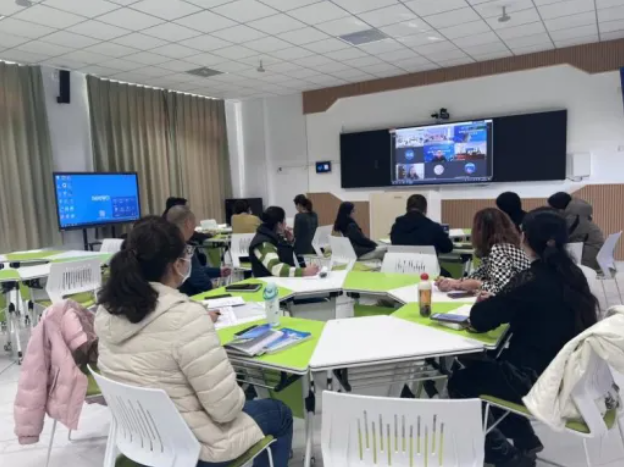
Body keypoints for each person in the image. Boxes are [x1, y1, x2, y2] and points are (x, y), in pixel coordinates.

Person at [95, 217, 293, 467]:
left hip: (142, 443)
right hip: (196, 449)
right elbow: (226, 410)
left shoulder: (107, 312)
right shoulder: (187, 317)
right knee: (279, 413)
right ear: (176, 265)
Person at [448, 208, 598, 467]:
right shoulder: (573, 275)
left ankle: (506, 456)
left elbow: (481, 319)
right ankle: (524, 438)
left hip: (537, 379)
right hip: (571, 374)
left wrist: (486, 302)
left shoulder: (530, 280)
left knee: (461, 381)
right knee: (485, 368)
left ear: (524, 237)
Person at [437, 208, 530, 294]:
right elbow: (477, 275)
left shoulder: (500, 250)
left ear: (481, 231)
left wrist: (476, 284)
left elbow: (501, 289)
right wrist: (454, 283)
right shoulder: (498, 247)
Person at [166, 205, 229, 296]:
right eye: (194, 222)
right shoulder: (184, 248)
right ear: (188, 223)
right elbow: (200, 280)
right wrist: (215, 289)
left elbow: (192, 270)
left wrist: (218, 271)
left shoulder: (164, 244)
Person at [249, 206, 319, 278]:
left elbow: (287, 257)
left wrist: (290, 241)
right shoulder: (263, 243)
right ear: (279, 225)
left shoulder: (275, 237)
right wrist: (304, 272)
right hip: (268, 283)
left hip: (281, 281)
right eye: (284, 221)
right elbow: (276, 268)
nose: (285, 223)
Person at [547, 192, 604, 270]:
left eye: (551, 209)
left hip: (589, 254)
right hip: (593, 248)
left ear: (560, 209)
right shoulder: (578, 212)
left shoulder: (575, 216)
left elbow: (565, 235)